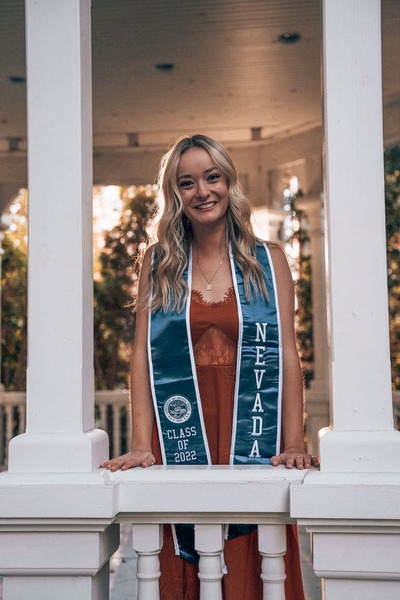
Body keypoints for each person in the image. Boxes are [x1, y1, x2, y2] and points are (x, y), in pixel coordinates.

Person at [101, 134, 319, 599]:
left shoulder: (269, 261)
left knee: (252, 560)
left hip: (251, 428)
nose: (202, 191)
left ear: (228, 182)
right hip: (182, 431)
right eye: (187, 182)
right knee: (182, 561)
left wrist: (295, 441)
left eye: (211, 177)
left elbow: (286, 352)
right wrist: (142, 444)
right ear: (174, 194)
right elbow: (141, 355)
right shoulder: (158, 265)